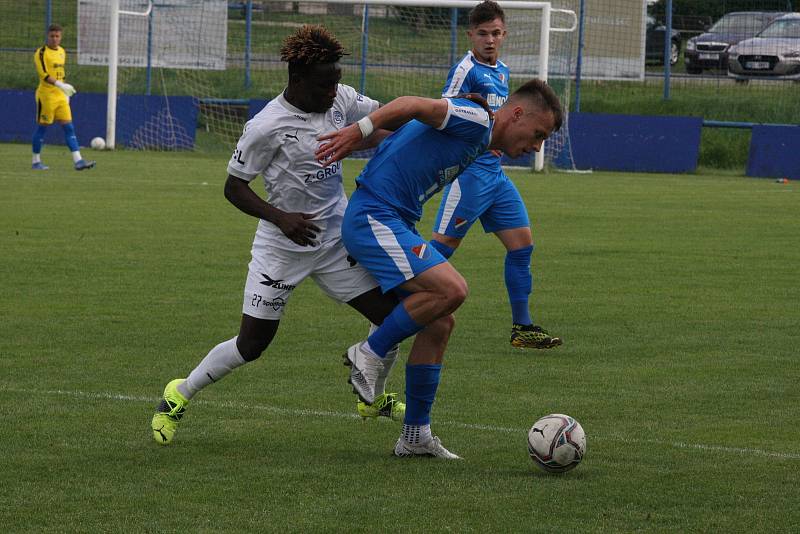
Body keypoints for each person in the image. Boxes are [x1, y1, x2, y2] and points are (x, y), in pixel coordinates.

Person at [150, 25, 405, 446]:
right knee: (252, 345)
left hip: (336, 239)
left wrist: (410, 135)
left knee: (393, 318)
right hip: (282, 247)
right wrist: (281, 217)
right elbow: (233, 187)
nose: (333, 92)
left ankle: (370, 398)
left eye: (336, 81)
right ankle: (179, 392)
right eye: (325, 85)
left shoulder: (340, 98)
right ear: (297, 80)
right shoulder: (266, 126)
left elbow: (376, 125)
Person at [316, 78, 563, 459]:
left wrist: (366, 138)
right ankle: (368, 352)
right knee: (453, 290)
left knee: (440, 321)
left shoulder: (480, 138)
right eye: (538, 134)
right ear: (516, 114)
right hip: (374, 217)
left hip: (393, 220)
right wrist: (358, 130)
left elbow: (405, 130)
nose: (535, 147)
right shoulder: (478, 120)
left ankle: (415, 436)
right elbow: (411, 103)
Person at [433, 1, 561, 350]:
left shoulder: (502, 71)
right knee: (440, 250)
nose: (490, 40)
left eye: (496, 33)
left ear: (504, 35)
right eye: (483, 33)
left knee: (522, 247)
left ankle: (522, 327)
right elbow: (443, 114)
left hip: (496, 174)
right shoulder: (465, 70)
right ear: (471, 34)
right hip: (471, 173)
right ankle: (392, 302)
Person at [32, 24, 95, 171]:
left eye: (57, 36)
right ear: (47, 36)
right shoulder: (41, 53)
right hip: (46, 96)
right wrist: (61, 86)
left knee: (69, 127)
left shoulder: (62, 51)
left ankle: (78, 161)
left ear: (61, 37)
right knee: (42, 128)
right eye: (52, 36)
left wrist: (65, 92)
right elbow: (44, 75)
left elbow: (61, 73)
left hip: (60, 96)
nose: (54, 39)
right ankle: (36, 161)